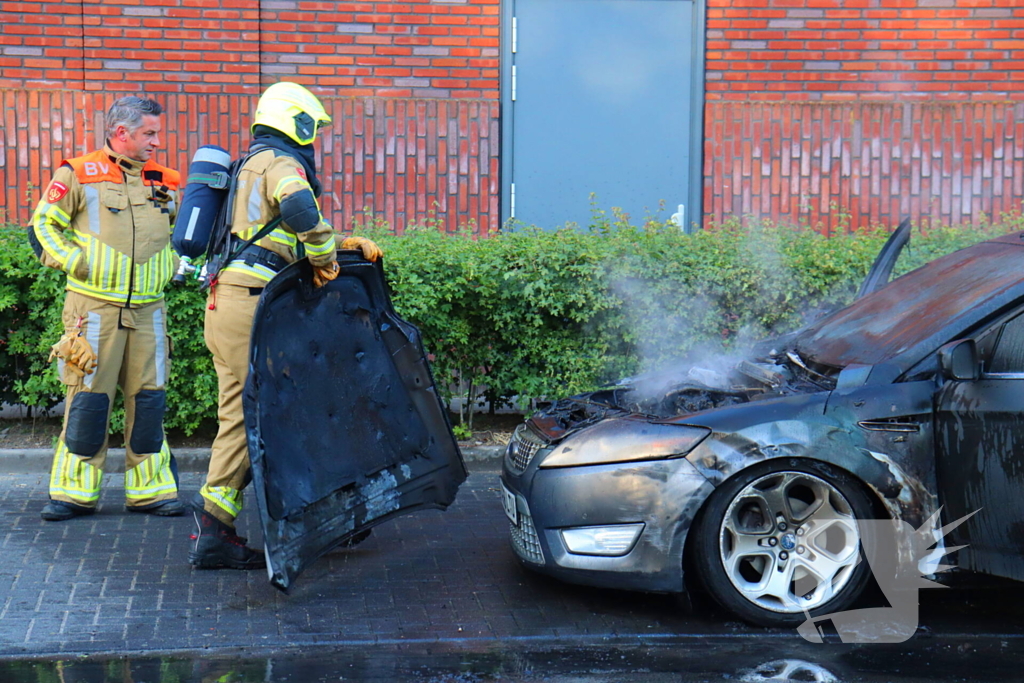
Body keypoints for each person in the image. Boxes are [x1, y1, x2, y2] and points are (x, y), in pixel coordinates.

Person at [189, 82, 383, 570]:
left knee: (242, 417)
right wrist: (325, 256)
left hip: (226, 305)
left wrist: (340, 244)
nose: (313, 139)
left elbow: (271, 236)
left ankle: (214, 530)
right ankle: (321, 517)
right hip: (251, 307)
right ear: (295, 122)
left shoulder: (248, 165)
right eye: (312, 129)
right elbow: (298, 209)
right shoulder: (279, 162)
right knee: (293, 408)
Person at [28, 95, 185, 521]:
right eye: (149, 133)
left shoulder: (165, 180)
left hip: (150, 311)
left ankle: (150, 491)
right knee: (89, 402)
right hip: (93, 309)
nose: (157, 141)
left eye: (156, 133)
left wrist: (174, 263)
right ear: (121, 132)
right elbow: (42, 227)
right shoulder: (77, 173)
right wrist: (77, 262)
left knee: (150, 402)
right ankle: (73, 494)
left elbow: (178, 235)